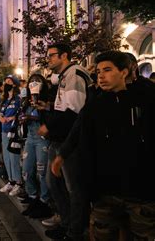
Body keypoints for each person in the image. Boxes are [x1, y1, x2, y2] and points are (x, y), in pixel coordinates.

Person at [79, 51, 155, 240]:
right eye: (98, 71)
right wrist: (89, 189)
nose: (101, 76)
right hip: (105, 192)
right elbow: (86, 147)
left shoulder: (147, 99)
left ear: (124, 72)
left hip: (142, 192)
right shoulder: (94, 107)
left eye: (107, 70)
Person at [37, 43, 92, 240]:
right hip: (59, 139)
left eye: (52, 56)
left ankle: (75, 231)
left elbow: (75, 111)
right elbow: (64, 107)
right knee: (55, 184)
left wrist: (49, 127)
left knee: (73, 189)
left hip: (70, 142)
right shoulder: (64, 76)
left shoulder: (74, 74)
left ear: (65, 56)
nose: (49, 59)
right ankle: (67, 222)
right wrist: (49, 106)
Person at [19, 74, 53, 219]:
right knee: (26, 170)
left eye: (37, 81)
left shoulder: (48, 99)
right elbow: (22, 115)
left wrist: (39, 112)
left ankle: (44, 202)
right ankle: (32, 197)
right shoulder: (27, 101)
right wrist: (22, 119)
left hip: (42, 139)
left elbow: (52, 117)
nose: (34, 83)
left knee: (42, 172)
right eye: (32, 81)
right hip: (30, 139)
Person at [0, 80, 23, 197]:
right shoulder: (4, 101)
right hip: (4, 130)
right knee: (7, 157)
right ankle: (11, 181)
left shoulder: (18, 99)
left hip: (13, 132)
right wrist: (1, 118)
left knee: (14, 157)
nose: (5, 84)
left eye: (8, 81)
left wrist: (13, 118)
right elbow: (0, 114)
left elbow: (20, 113)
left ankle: (18, 182)